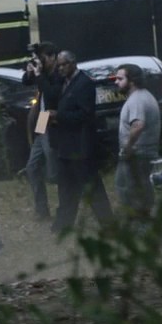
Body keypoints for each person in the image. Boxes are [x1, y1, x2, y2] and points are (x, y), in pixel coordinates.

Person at [47, 51, 115, 236]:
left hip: (81, 146)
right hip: (64, 146)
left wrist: (58, 116)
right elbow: (47, 95)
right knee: (66, 190)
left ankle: (108, 226)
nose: (60, 68)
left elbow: (85, 115)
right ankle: (63, 225)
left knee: (93, 190)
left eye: (64, 65)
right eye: (58, 65)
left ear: (73, 63)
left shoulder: (84, 84)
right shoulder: (61, 83)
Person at [113, 63, 162, 219]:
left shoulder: (137, 100)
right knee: (134, 189)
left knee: (131, 190)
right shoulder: (142, 96)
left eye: (120, 79)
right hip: (140, 153)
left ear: (132, 81)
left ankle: (140, 226)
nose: (116, 82)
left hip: (137, 154)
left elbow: (138, 125)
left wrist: (128, 147)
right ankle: (141, 223)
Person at [21, 43, 62, 220]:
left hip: (53, 121)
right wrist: (31, 71)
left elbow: (52, 94)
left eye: (43, 58)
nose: (41, 62)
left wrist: (39, 75)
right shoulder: (43, 72)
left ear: (52, 57)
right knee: (32, 167)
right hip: (42, 119)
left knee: (55, 172)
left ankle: (66, 208)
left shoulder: (59, 73)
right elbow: (25, 81)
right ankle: (42, 210)